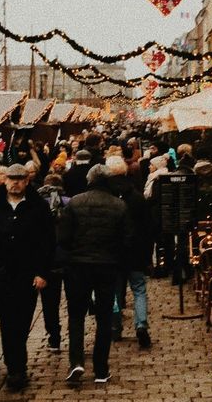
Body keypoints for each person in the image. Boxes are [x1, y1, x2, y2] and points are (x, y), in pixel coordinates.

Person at [0, 164, 55, 391]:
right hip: (0, 275)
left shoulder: (38, 207)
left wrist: (42, 272)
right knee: (6, 322)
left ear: (26, 181)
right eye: (11, 179)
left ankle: (17, 365)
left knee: (21, 323)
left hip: (26, 275)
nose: (15, 183)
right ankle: (15, 370)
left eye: (20, 179)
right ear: (5, 181)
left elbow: (47, 242)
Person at [58, 165, 134, 384]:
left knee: (76, 315)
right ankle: (101, 368)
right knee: (104, 317)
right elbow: (127, 238)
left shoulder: (75, 202)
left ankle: (76, 362)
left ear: (89, 180)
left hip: (78, 266)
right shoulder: (119, 205)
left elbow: (63, 237)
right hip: (107, 266)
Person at [105, 156, 153, 348]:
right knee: (139, 289)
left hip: (113, 253)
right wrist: (147, 254)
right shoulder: (136, 196)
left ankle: (115, 327)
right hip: (135, 252)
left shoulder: (107, 197)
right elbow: (147, 228)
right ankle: (141, 324)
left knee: (115, 292)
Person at [37, 174, 70, 352]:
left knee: (50, 303)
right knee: (74, 300)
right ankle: (75, 334)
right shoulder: (70, 202)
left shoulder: (37, 205)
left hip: (48, 259)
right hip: (69, 257)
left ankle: (54, 336)